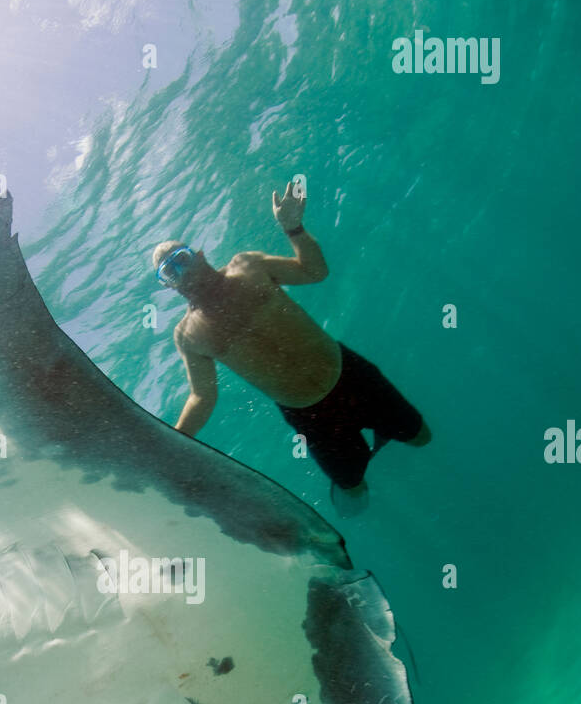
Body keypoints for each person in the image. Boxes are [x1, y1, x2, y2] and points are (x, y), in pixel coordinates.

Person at [154, 179, 431, 509]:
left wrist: (294, 229)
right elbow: (202, 396)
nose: (180, 271)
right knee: (353, 490)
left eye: (181, 258)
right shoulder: (188, 335)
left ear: (199, 255)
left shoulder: (248, 266)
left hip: (351, 375)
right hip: (309, 416)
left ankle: (384, 435)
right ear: (169, 286)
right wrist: (175, 439)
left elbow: (315, 272)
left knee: (422, 438)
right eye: (169, 271)